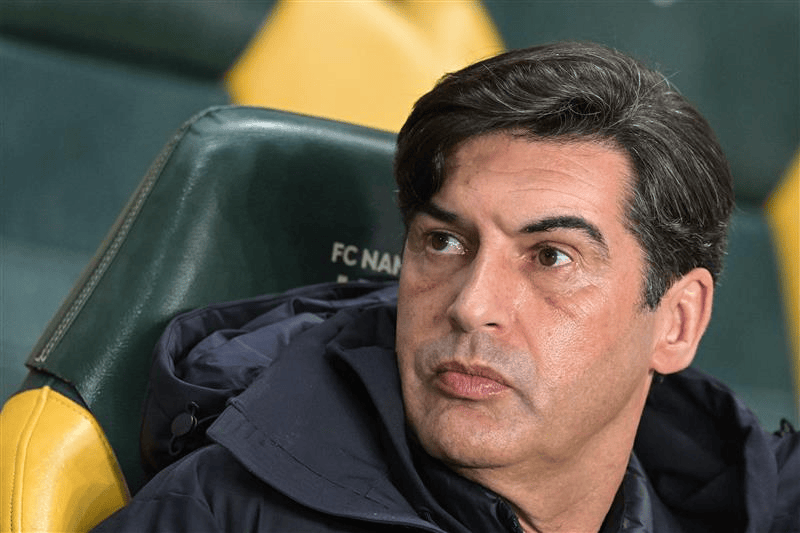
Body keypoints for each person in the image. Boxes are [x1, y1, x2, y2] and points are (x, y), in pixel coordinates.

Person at [92, 41, 799, 533]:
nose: (471, 304)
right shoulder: (218, 513)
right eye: (444, 242)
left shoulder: (739, 503)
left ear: (677, 321)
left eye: (550, 257)